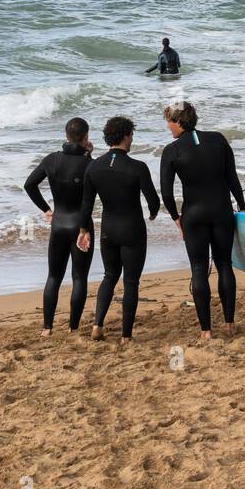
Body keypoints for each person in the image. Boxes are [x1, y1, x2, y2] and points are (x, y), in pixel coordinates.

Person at [160, 101, 245, 337]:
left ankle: (206, 330)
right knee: (224, 265)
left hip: (193, 215)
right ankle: (229, 324)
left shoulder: (172, 150)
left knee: (198, 269)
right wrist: (242, 207)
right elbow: (232, 179)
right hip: (221, 211)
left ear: (178, 122)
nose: (168, 127)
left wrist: (176, 217)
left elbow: (166, 193)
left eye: (169, 121)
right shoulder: (218, 140)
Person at [77, 116, 160, 344]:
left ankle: (97, 325)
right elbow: (153, 201)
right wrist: (152, 213)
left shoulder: (93, 167)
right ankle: (125, 336)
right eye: (131, 135)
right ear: (125, 136)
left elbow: (86, 204)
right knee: (131, 282)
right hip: (132, 229)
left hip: (108, 230)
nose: (132, 139)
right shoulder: (138, 168)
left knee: (109, 276)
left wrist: (84, 229)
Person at [23, 117, 95, 336]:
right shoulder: (89, 164)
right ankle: (73, 328)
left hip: (59, 224)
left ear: (66, 136)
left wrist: (46, 209)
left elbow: (29, 184)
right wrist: (89, 155)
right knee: (79, 277)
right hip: (81, 226)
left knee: (54, 276)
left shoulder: (52, 160)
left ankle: (47, 328)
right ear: (85, 138)